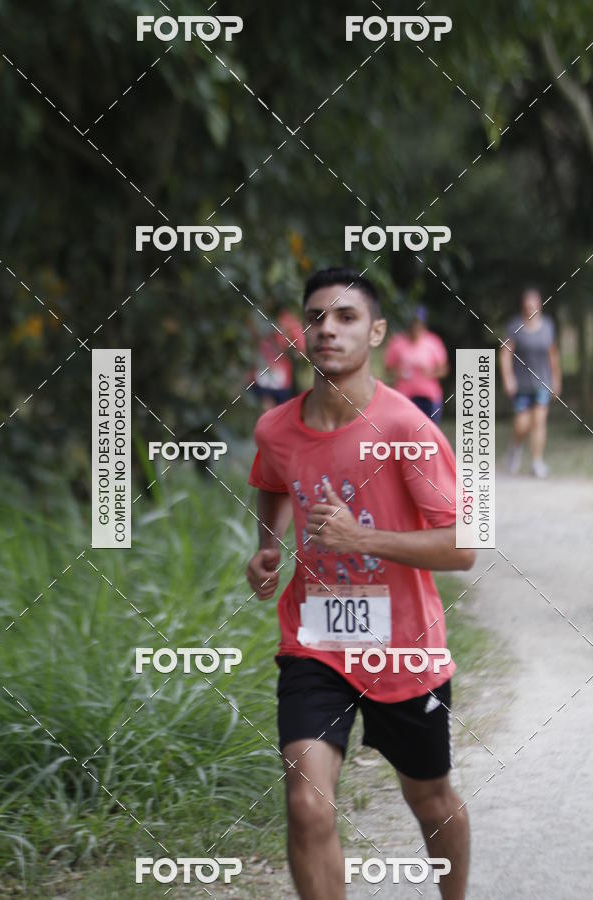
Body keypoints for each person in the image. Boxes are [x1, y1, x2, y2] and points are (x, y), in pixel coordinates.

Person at [246, 267, 475, 900]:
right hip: (314, 644)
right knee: (307, 803)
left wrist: (362, 539)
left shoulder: (408, 430)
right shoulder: (276, 427)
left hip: (405, 648)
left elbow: (464, 547)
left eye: (346, 317)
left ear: (376, 333)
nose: (328, 329)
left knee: (429, 799)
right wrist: (267, 546)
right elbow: (271, 479)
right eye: (316, 317)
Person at [500, 287, 561, 478]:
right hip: (521, 383)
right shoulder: (515, 326)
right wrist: (508, 378)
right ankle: (515, 448)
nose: (530, 308)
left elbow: (553, 355)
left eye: (533, 305)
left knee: (539, 421)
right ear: (523, 306)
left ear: (539, 305)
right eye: (527, 305)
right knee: (522, 424)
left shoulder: (548, 326)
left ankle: (536, 462)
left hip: (542, 382)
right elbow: (505, 354)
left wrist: (556, 379)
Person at [384, 305, 449, 423]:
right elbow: (388, 368)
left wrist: (431, 373)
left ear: (424, 325)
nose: (416, 328)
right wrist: (399, 372)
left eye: (419, 324)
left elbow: (444, 369)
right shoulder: (397, 342)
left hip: (429, 397)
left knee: (428, 433)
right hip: (404, 396)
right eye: (413, 324)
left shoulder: (433, 342)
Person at [250, 308, 306, 411]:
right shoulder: (255, 317)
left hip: (280, 378)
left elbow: (300, 350)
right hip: (261, 377)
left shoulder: (287, 320)